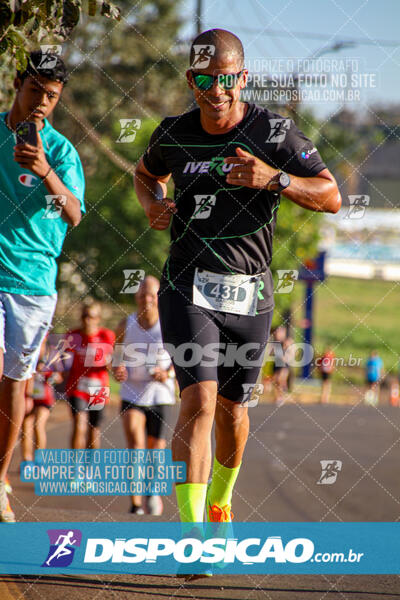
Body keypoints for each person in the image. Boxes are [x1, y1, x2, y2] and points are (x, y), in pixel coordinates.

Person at [135, 28, 340, 529]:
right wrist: (152, 202)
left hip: (251, 293)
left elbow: (332, 195)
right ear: (191, 79)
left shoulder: (275, 134)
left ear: (242, 78)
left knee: (232, 413)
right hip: (187, 283)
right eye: (205, 78)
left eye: (227, 78)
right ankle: (192, 531)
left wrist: (276, 178)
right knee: (199, 400)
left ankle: (222, 500)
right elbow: (144, 173)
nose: (217, 89)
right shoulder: (174, 132)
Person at [0, 50, 85, 522]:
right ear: (17, 83)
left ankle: (0, 479)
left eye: (51, 97)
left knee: (14, 383)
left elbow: (72, 214)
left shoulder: (61, 152)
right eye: (35, 91)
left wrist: (44, 168)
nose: (41, 104)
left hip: (33, 282)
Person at [113, 276, 175, 515]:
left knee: (155, 451)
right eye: (141, 294)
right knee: (136, 446)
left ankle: (152, 491)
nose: (146, 299)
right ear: (136, 297)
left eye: (151, 294)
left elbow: (182, 358)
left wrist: (167, 373)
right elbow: (115, 356)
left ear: (159, 297)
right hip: (132, 394)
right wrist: (117, 369)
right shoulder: (125, 324)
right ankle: (135, 503)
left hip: (160, 395)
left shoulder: (168, 325)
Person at [64, 302, 115, 450]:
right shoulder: (73, 336)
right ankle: (75, 468)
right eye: (84, 316)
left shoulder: (106, 335)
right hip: (77, 387)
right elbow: (64, 362)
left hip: (98, 387)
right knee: (79, 424)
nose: (87, 320)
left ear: (98, 318)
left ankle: (90, 468)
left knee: (94, 430)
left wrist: (109, 362)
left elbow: (112, 363)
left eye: (91, 317)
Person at [21, 337, 63, 462]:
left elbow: (59, 376)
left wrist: (51, 377)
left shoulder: (52, 353)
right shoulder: (27, 350)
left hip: (45, 398)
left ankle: (39, 460)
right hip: (29, 396)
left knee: (38, 425)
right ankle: (27, 460)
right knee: (26, 428)